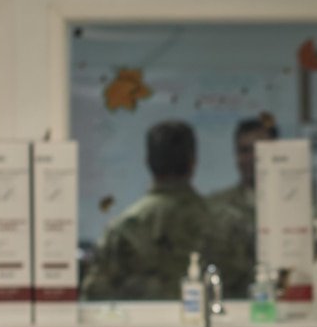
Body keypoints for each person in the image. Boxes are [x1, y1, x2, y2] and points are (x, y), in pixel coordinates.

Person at [82, 119, 217, 301]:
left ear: (148, 162)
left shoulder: (123, 228)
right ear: (193, 162)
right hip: (216, 326)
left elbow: (94, 297)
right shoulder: (226, 223)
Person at [205, 113, 275, 285]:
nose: (251, 158)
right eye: (245, 150)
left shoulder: (293, 206)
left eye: (259, 150)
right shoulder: (216, 206)